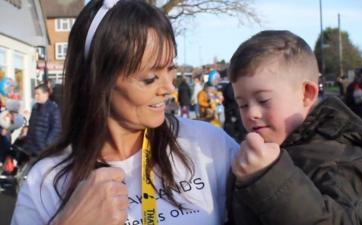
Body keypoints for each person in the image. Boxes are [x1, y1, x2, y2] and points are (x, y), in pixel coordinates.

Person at [11, 1, 238, 225]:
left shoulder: (208, 144)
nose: (170, 88)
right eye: (150, 78)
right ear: (98, 80)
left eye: (171, 69)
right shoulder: (46, 180)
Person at [226, 30, 362, 225]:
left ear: (307, 93)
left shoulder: (344, 163)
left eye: (263, 100)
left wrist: (268, 178)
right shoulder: (259, 153)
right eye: (242, 104)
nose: (251, 113)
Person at [23, 84, 61, 156]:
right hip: (31, 147)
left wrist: (47, 143)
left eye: (38, 94)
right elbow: (32, 125)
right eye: (35, 94)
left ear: (46, 94)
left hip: (43, 147)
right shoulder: (35, 107)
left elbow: (57, 128)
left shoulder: (53, 108)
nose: (36, 96)